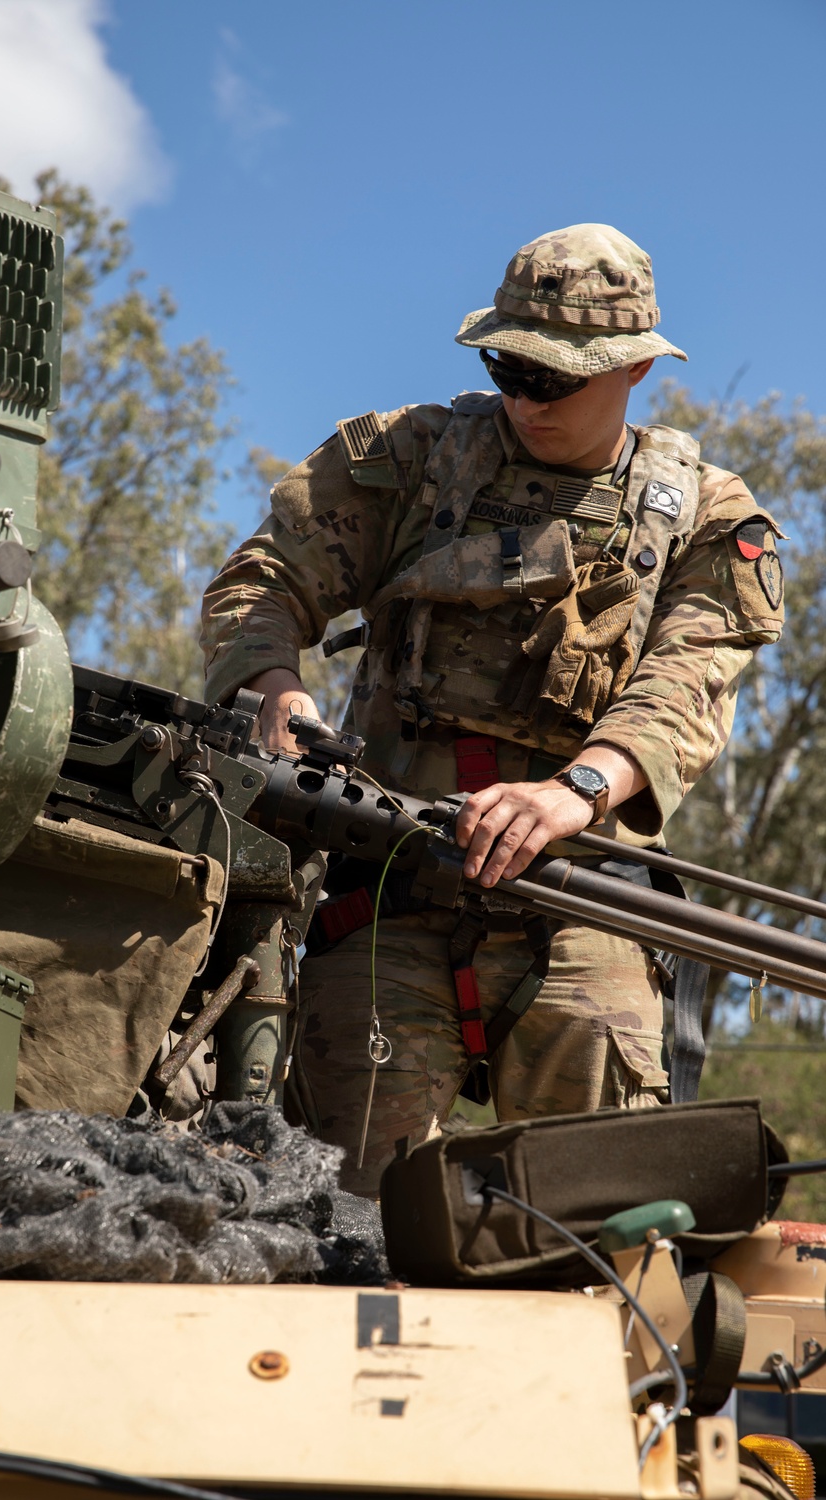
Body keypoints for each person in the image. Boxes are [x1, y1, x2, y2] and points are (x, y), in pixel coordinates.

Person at [200, 224, 785, 1194]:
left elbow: (685, 684)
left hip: (579, 894)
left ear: (637, 366)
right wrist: (273, 686)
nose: (523, 397)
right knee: (349, 1214)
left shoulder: (711, 521)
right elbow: (261, 581)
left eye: (553, 379)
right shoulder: (405, 460)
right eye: (506, 365)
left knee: (601, 1221)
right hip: (389, 888)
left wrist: (575, 793)